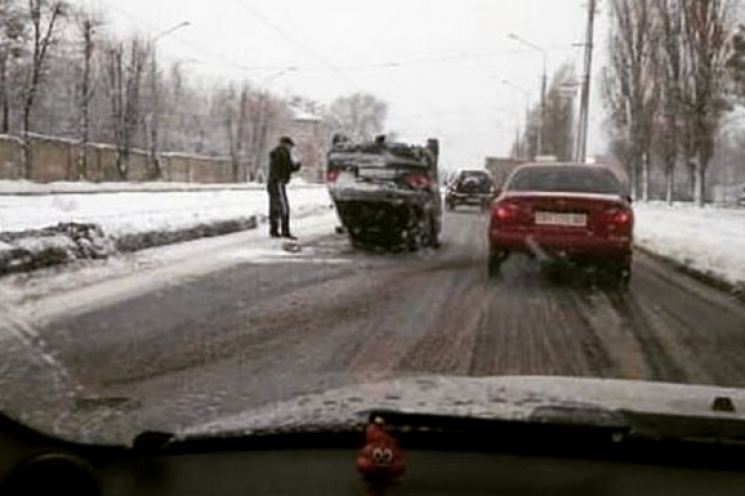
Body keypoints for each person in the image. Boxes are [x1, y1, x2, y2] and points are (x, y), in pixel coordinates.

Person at [267, 136, 301, 239]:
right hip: (278, 183)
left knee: (274, 207)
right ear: (286, 144)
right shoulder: (282, 153)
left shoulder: (278, 152)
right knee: (284, 208)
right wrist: (297, 166)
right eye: (290, 146)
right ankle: (285, 231)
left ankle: (274, 230)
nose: (291, 148)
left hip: (274, 183)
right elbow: (287, 167)